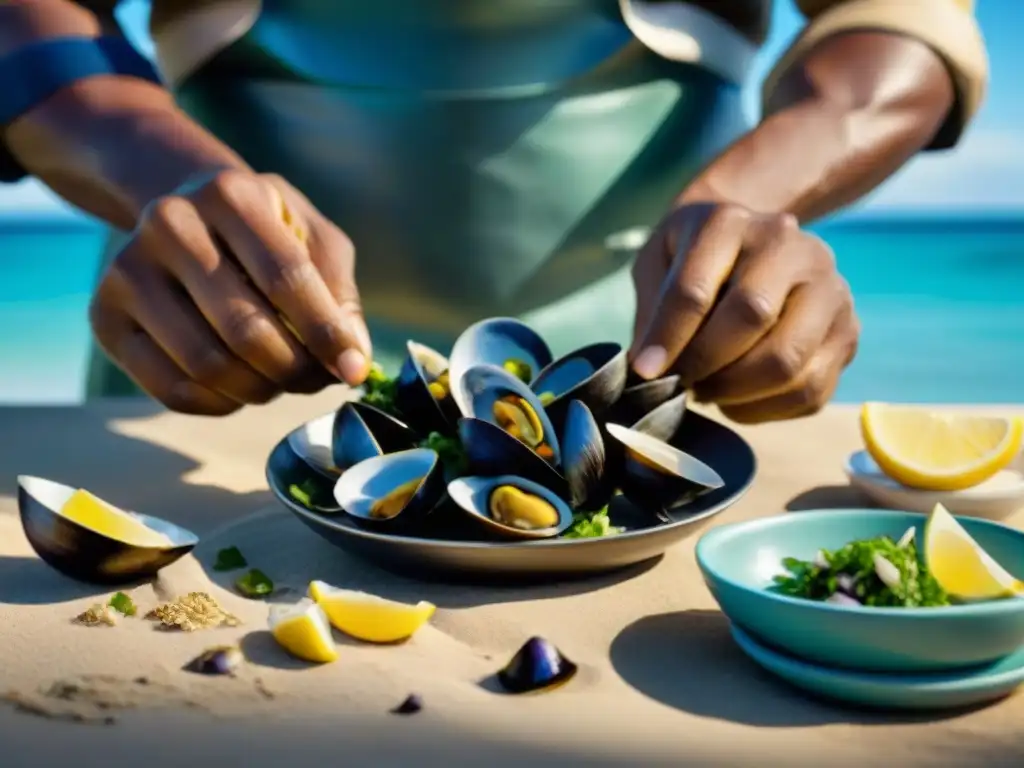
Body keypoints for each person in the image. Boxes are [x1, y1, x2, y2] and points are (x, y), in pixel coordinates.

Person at [0, 0, 986, 423]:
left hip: (659, 374)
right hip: (202, 338)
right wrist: (164, 182)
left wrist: (744, 212)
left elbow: (905, 21)